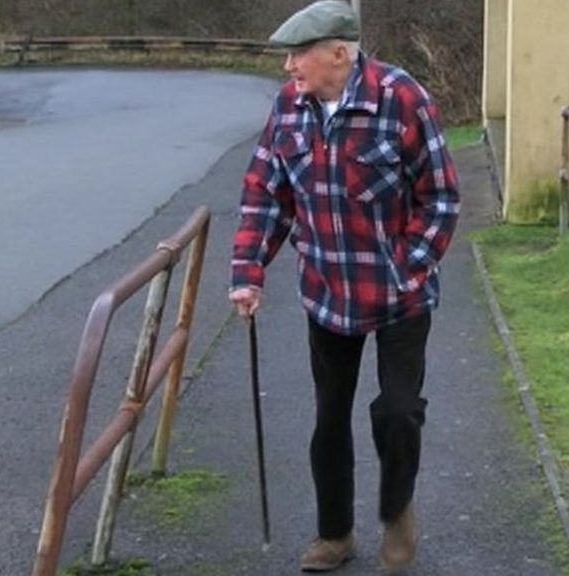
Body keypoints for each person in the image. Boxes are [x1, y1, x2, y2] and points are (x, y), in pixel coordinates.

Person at [229, 0, 461, 572]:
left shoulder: (402, 99)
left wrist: (408, 266)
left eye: (298, 54)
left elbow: (442, 198)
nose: (288, 67)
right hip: (328, 292)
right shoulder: (289, 108)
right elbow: (266, 193)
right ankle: (335, 534)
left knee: (398, 411)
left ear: (339, 53)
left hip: (399, 295)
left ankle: (396, 508)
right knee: (329, 419)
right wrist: (247, 274)